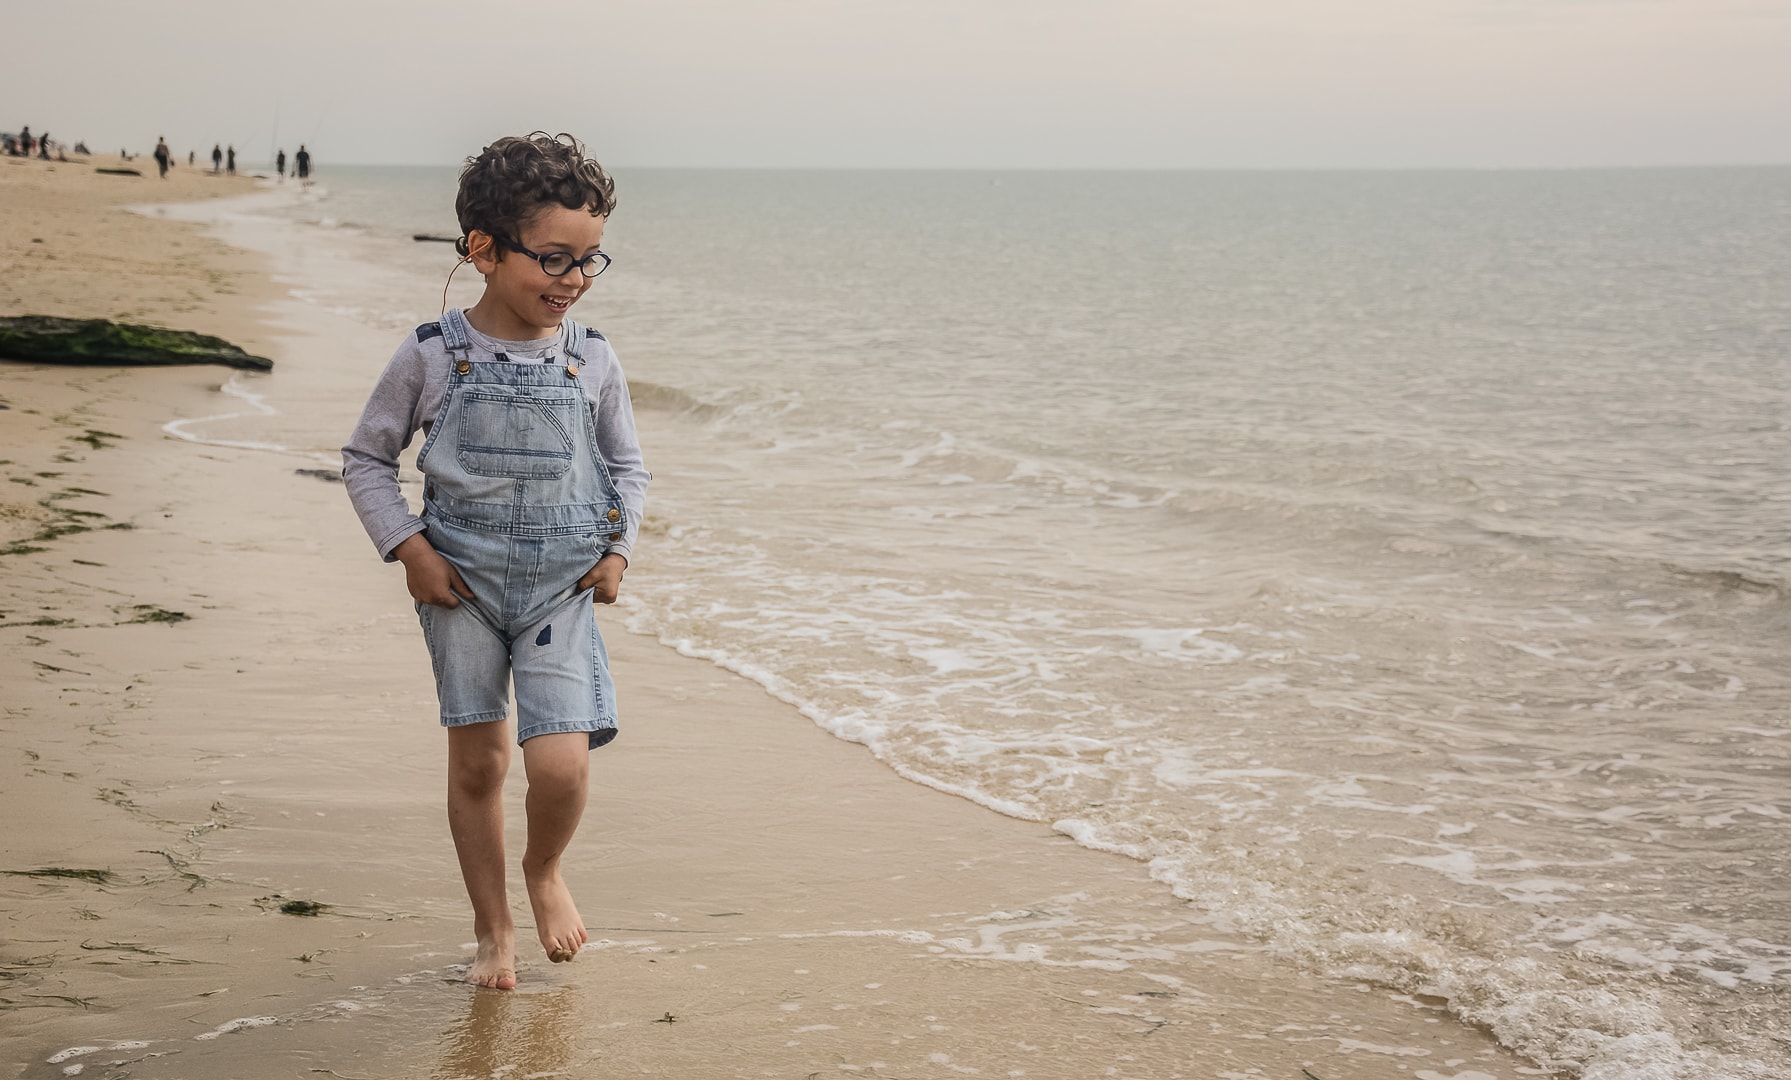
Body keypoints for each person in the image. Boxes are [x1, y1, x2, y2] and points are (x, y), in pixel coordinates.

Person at [341, 132, 645, 991]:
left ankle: (543, 870)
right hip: (459, 587)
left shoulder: (592, 358)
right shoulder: (433, 355)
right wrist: (408, 548)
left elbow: (627, 468)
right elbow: (367, 458)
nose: (573, 279)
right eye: (553, 257)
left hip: (562, 590)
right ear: (483, 249)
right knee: (479, 764)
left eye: (590, 260)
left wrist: (619, 547)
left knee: (561, 763)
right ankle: (492, 930)